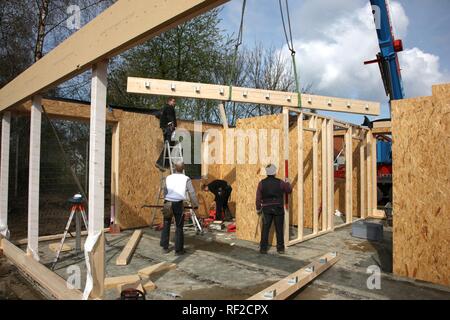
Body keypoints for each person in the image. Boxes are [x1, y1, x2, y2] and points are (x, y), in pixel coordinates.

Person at [160, 161, 199, 255]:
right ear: (183, 168)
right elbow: (192, 192)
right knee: (179, 226)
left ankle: (165, 248)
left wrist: (166, 199)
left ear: (174, 167)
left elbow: (165, 190)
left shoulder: (168, 177)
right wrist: (195, 204)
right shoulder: (186, 179)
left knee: (166, 224)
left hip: (167, 203)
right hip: (178, 204)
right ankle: (178, 250)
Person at [255, 164, 292, 254]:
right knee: (279, 229)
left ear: (267, 172)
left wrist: (258, 208)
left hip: (266, 209)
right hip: (278, 208)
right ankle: (280, 249)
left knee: (265, 229)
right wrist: (287, 182)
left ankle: (263, 248)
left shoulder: (261, 183)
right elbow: (289, 190)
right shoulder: (280, 182)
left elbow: (258, 198)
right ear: (275, 172)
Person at [156, 97, 178, 171]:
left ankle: (165, 164)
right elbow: (170, 117)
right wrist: (172, 126)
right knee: (169, 145)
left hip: (166, 129)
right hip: (168, 129)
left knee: (168, 146)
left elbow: (159, 115)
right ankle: (160, 163)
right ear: (169, 101)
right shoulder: (169, 107)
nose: (174, 103)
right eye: (173, 101)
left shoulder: (164, 108)